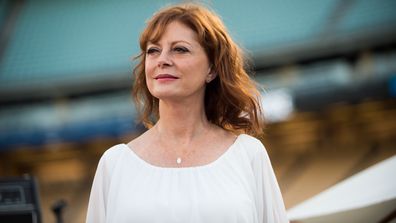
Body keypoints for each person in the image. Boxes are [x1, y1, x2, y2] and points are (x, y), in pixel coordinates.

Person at [86, 3, 288, 223]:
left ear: (212, 69)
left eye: (179, 49)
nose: (162, 59)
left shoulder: (249, 155)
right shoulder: (114, 164)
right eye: (153, 50)